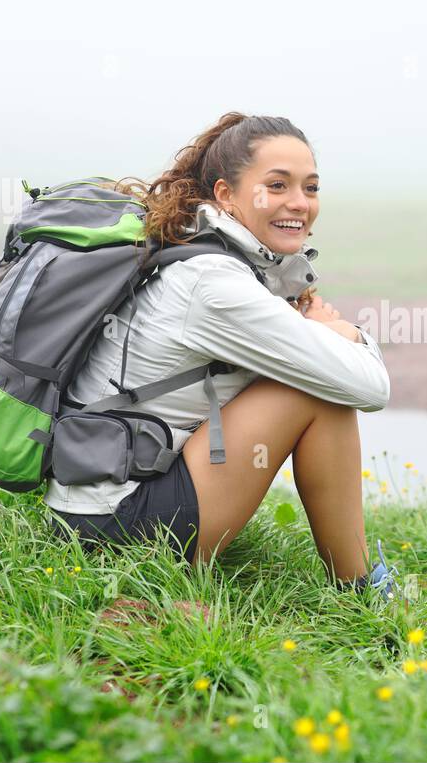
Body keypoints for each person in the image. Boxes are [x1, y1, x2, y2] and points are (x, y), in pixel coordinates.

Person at [44, 113, 397, 597]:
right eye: (277, 185)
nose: (299, 203)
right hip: (115, 529)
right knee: (319, 392)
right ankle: (363, 589)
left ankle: (360, 582)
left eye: (310, 188)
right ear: (226, 196)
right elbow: (371, 388)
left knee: (314, 376)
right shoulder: (213, 284)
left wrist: (320, 334)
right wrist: (344, 335)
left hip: (90, 509)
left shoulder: (204, 254)